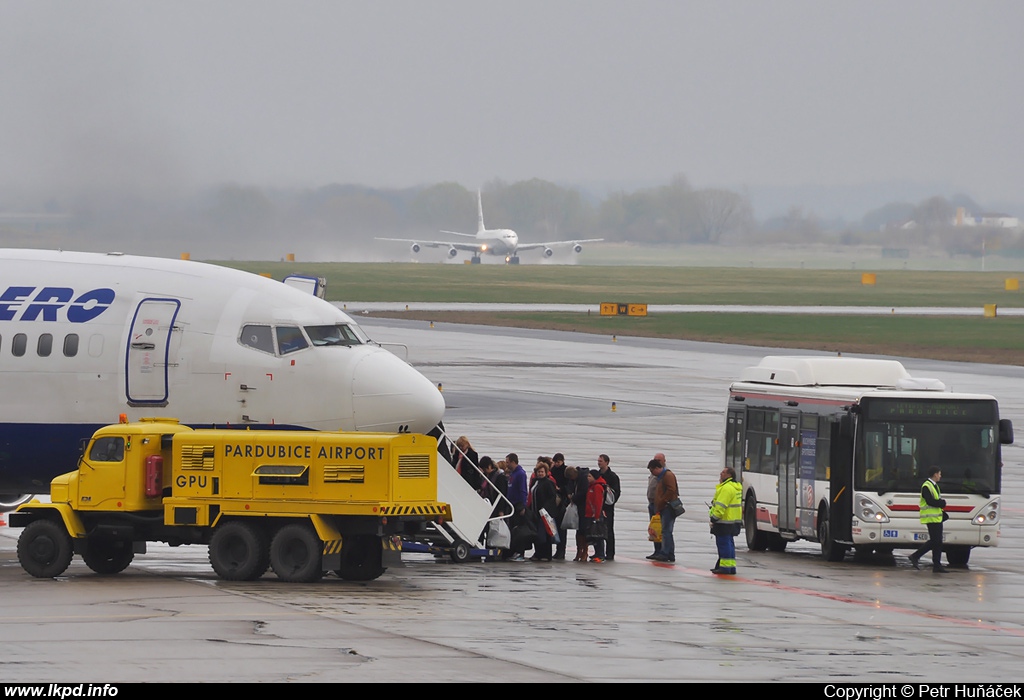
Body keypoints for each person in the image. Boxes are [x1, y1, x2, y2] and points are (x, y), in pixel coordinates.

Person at [909, 467, 948, 573]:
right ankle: (915, 556)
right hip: (931, 518)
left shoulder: (934, 486)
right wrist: (942, 503)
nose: (940, 476)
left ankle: (937, 565)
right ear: (935, 474)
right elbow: (930, 501)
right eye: (939, 474)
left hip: (936, 517)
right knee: (935, 541)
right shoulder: (926, 486)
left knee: (938, 542)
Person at [709, 467, 743, 575]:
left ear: (729, 475)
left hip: (724, 521)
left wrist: (714, 518)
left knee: (723, 544)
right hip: (733, 521)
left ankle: (725, 568)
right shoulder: (735, 487)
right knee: (729, 544)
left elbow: (721, 506)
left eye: (723, 472)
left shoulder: (726, 488)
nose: (720, 474)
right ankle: (730, 567)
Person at [649, 458, 679, 563]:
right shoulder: (661, 477)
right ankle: (668, 552)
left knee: (667, 531)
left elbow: (671, 490)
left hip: (668, 508)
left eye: (652, 471)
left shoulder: (668, 476)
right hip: (663, 507)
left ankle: (666, 553)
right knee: (665, 531)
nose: (653, 474)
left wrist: (662, 501)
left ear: (657, 468)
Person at [529, 462, 559, 561]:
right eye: (539, 472)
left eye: (542, 472)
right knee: (537, 534)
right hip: (535, 512)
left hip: (544, 513)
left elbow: (552, 498)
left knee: (545, 534)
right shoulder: (535, 481)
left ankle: (546, 554)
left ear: (546, 472)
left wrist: (545, 509)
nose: (540, 474)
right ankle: (538, 553)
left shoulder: (548, 482)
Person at [505, 453, 530, 561]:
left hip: (518, 505)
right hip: (511, 505)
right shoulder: (512, 474)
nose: (506, 464)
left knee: (519, 531)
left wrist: (523, 506)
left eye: (507, 462)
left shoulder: (520, 474)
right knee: (513, 529)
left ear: (513, 462)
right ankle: (513, 551)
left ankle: (520, 552)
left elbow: (523, 491)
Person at [597, 454, 620, 560]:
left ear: (607, 462)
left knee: (608, 530)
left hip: (607, 508)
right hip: (598, 507)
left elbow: (617, 492)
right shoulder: (596, 474)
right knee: (597, 530)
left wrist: (610, 502)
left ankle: (610, 553)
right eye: (598, 461)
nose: (599, 462)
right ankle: (599, 551)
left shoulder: (612, 476)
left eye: (601, 461)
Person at [583, 469, 608, 563]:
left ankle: (601, 554)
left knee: (598, 535)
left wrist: (597, 516)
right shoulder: (591, 486)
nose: (587, 478)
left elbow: (598, 503)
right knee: (593, 535)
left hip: (595, 515)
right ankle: (597, 553)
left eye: (589, 476)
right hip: (590, 514)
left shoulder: (597, 487)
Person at [646, 453, 666, 560]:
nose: (656, 461)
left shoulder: (664, 474)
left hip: (659, 505)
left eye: (659, 460)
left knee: (661, 529)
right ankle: (656, 550)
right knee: (654, 529)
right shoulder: (653, 473)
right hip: (652, 504)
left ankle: (662, 551)